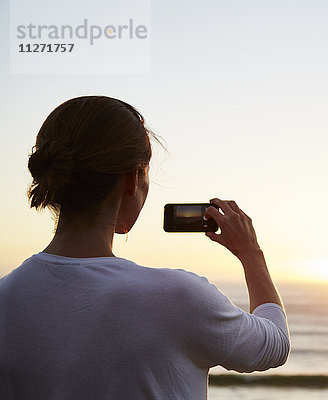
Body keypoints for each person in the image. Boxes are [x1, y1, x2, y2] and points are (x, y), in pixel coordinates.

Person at [0, 96, 290, 399]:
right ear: (132, 177)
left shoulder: (6, 297)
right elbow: (275, 344)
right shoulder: (176, 296)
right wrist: (251, 253)